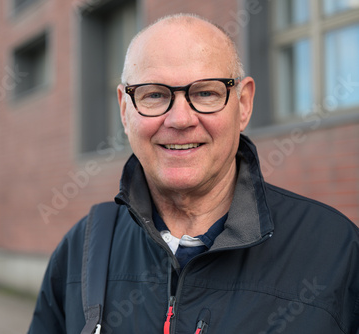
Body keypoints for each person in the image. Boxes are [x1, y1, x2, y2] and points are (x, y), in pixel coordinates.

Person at [28, 13, 359, 333]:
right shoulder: (83, 252)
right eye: (155, 95)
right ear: (125, 110)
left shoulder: (337, 253)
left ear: (243, 104)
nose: (181, 119)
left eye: (206, 93)